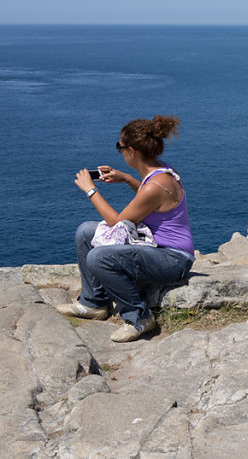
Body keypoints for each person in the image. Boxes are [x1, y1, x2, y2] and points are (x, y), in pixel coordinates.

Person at [56, 115, 194, 343]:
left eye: (119, 147)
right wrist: (126, 178)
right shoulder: (162, 171)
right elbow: (149, 196)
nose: (119, 151)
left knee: (99, 257)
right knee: (85, 232)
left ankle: (139, 317)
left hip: (173, 259)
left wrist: (91, 190)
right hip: (153, 246)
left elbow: (117, 222)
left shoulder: (155, 186)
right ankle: (94, 303)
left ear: (132, 151)